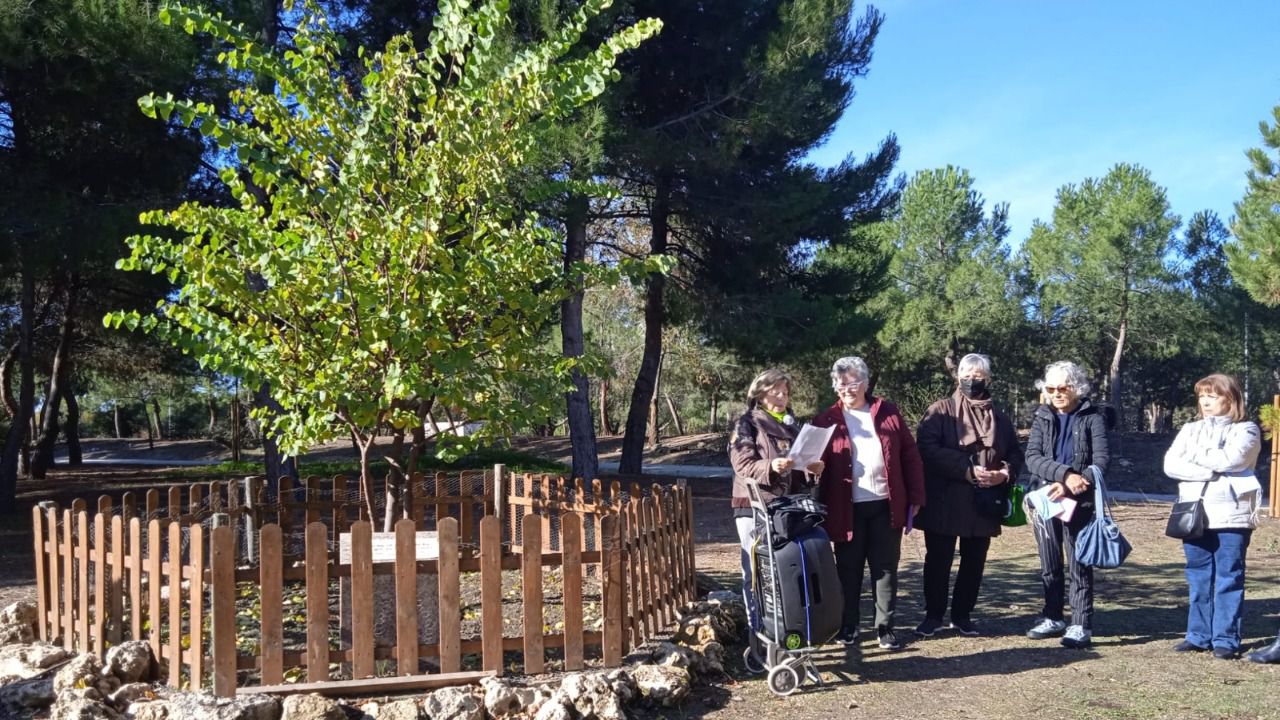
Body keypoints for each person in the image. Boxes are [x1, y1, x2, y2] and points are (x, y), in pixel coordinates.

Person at [813, 356, 925, 651]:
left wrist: (915, 497)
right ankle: (848, 625)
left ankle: (885, 627)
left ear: (865, 382)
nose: (847, 388)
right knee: (848, 569)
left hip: (886, 504)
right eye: (841, 382)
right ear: (835, 385)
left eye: (853, 382)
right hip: (845, 507)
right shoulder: (825, 420)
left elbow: (909, 456)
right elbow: (812, 465)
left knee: (885, 568)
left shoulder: (887, 412)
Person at [913, 353, 1024, 638]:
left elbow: (1014, 451)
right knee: (938, 560)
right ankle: (933, 615)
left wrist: (1004, 473)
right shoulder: (940, 410)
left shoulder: (999, 416)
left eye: (978, 376)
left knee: (974, 561)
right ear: (957, 377)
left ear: (987, 379)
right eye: (967, 375)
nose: (972, 380)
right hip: (945, 499)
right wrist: (968, 469)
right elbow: (927, 447)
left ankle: (962, 615)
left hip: (985, 502)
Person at [1162, 373, 1263, 660]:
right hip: (1194, 513)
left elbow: (1232, 460)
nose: (1205, 401)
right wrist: (1209, 469)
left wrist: (1194, 456)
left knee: (1228, 577)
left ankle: (1226, 639)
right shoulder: (1190, 428)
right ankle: (1198, 635)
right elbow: (1170, 464)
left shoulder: (1247, 430)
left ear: (1230, 399)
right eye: (1202, 395)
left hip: (1232, 516)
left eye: (1213, 395)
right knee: (1198, 576)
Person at [728, 368, 824, 667]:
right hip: (753, 506)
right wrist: (772, 465)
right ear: (761, 392)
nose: (782, 397)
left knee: (785, 575)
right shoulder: (746, 423)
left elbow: (801, 470)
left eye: (785, 392)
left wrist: (813, 471)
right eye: (775, 392)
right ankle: (758, 639)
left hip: (786, 510)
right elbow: (742, 463)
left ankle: (786, 636)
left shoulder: (795, 426)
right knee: (756, 575)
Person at [1023, 360, 1111, 649]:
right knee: (1049, 563)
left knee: (1079, 563)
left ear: (1077, 388)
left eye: (1063, 387)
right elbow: (1032, 457)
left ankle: (1080, 624)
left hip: (1079, 502)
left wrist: (1075, 482)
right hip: (1046, 499)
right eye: (1051, 388)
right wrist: (1063, 476)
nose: (1057, 393)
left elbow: (1100, 462)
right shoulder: (1042, 416)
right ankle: (1052, 616)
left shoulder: (1093, 417)